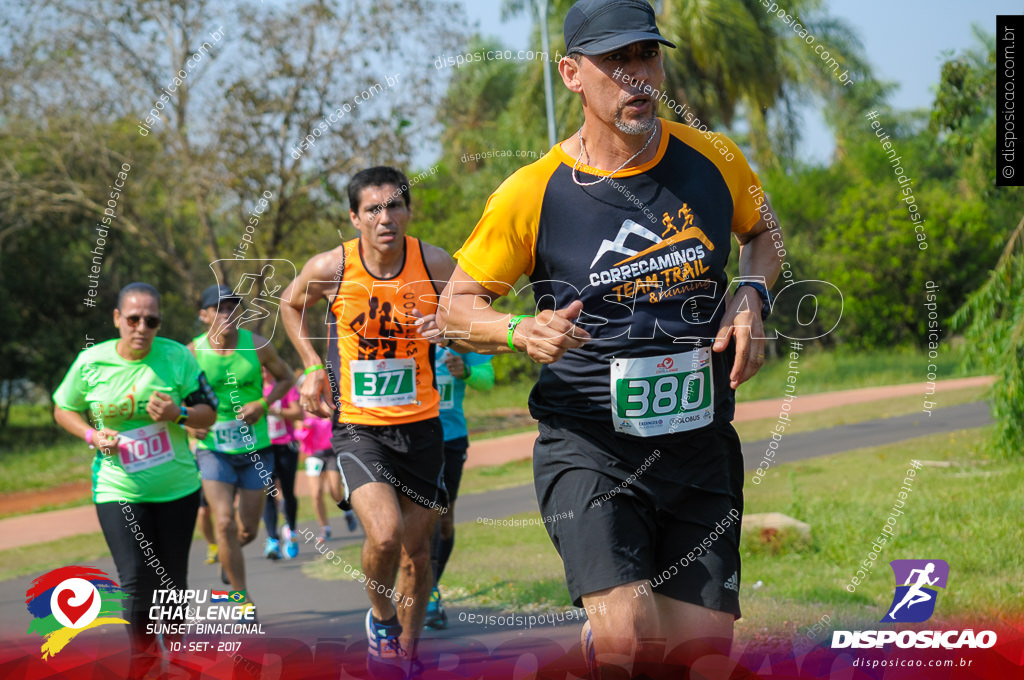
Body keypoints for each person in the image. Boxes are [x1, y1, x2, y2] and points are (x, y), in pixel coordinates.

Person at [436, 1, 785, 677]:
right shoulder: (532, 192)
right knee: (629, 635)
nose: (637, 76)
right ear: (571, 74)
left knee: (702, 656)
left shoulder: (712, 158)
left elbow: (764, 232)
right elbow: (456, 307)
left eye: (647, 56)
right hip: (590, 445)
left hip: (699, 442)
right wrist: (517, 329)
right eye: (616, 61)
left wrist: (752, 295)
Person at [280, 166, 456, 675]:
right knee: (384, 535)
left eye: (395, 205)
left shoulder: (434, 262)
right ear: (354, 217)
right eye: (373, 209)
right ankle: (380, 621)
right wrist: (312, 366)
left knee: (418, 554)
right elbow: (290, 305)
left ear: (408, 211)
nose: (386, 217)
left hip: (422, 426)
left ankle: (410, 652)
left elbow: (472, 312)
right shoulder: (331, 267)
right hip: (359, 427)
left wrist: (448, 327)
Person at [53, 282, 218, 678]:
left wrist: (178, 414)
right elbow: (63, 407)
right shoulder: (92, 361)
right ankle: (143, 665)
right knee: (135, 580)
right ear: (117, 319)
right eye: (133, 319)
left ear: (159, 322)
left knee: (172, 580)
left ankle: (178, 658)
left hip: (177, 489)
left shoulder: (178, 358)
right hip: (118, 489)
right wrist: (92, 436)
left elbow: (209, 413)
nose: (141, 327)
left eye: (151, 320)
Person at [188, 284, 294, 608]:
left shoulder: (257, 346)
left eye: (233, 306)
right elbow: (173, 394)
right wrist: (189, 423)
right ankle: (242, 598)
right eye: (219, 308)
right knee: (224, 522)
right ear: (204, 316)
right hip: (214, 451)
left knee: (246, 531)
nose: (227, 313)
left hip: (256, 450)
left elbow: (287, 378)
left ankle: (228, 554)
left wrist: (263, 403)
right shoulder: (191, 352)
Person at [424, 347, 494, 630]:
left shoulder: (462, 329)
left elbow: (487, 380)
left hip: (451, 438)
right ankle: (420, 584)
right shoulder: (407, 324)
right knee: (416, 517)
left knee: (443, 522)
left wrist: (466, 371)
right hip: (413, 435)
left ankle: (430, 586)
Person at [295, 397, 358, 542]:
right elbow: (299, 432)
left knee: (335, 491)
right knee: (316, 493)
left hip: (331, 452)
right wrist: (304, 426)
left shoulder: (327, 401)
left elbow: (331, 420)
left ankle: (347, 511)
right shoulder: (303, 406)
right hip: (314, 454)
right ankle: (325, 529)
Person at [260, 366, 302, 560]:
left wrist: (276, 410)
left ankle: (291, 531)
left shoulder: (284, 387)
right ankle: (272, 540)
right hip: (264, 448)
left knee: (288, 491)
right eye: (260, 370)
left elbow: (298, 413)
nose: (264, 373)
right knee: (268, 493)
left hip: (286, 446)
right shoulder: (254, 389)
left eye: (267, 369)